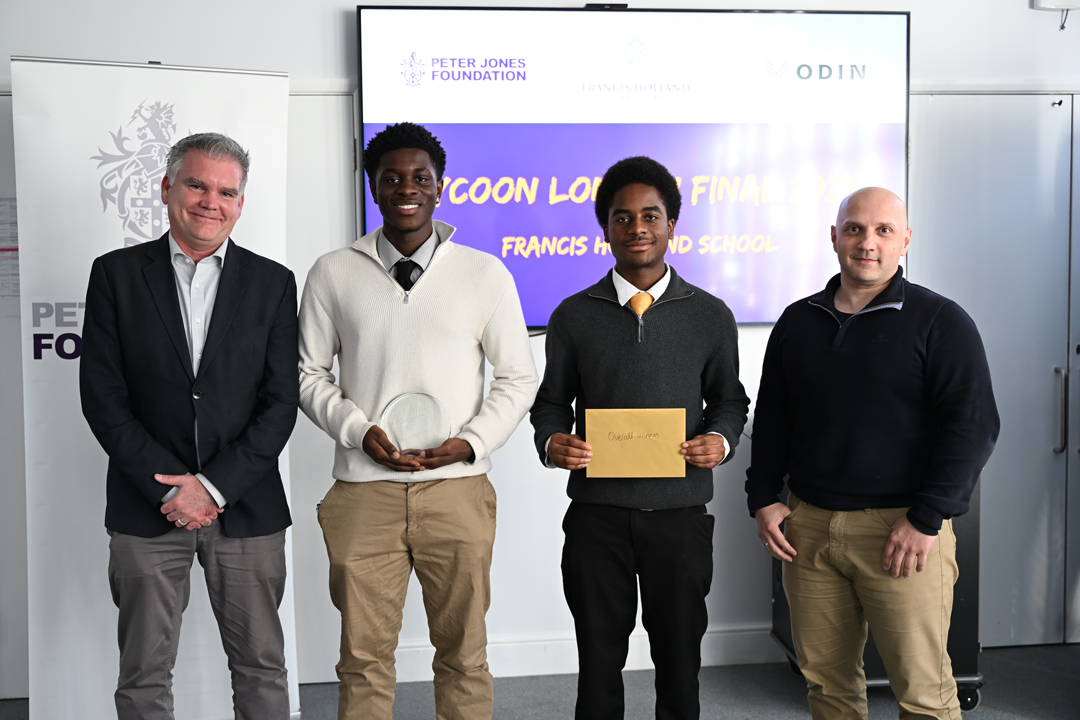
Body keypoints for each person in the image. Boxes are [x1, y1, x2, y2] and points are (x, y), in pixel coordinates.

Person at [298, 121, 538, 720]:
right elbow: (308, 373)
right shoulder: (332, 272)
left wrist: (471, 443)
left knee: (464, 656)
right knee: (362, 659)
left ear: (439, 186)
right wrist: (358, 431)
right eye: (392, 178)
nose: (407, 188)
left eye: (420, 177)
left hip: (457, 491)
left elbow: (518, 376)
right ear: (373, 188)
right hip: (364, 493)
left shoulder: (484, 274)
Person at [745, 187, 999, 720]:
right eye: (855, 229)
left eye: (884, 230)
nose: (868, 242)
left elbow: (972, 427)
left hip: (902, 532)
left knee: (924, 694)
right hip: (808, 530)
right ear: (834, 237)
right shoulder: (797, 320)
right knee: (827, 689)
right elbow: (772, 418)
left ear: (905, 241)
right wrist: (763, 497)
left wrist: (926, 519)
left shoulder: (941, 320)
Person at [80, 132, 298, 719]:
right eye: (197, 185)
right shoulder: (116, 275)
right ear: (167, 188)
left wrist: (215, 487)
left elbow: (280, 403)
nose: (210, 202)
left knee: (262, 669)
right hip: (146, 506)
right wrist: (171, 489)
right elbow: (103, 398)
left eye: (226, 192)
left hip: (247, 507)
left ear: (240, 203)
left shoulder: (273, 283)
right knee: (143, 675)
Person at [530, 156, 750, 720]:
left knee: (679, 664)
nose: (637, 228)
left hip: (679, 517)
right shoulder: (573, 315)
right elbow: (551, 403)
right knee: (598, 663)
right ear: (605, 228)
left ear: (672, 225)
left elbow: (730, 401)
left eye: (650, 216)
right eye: (622, 217)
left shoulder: (710, 315)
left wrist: (720, 439)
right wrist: (553, 442)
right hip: (596, 518)